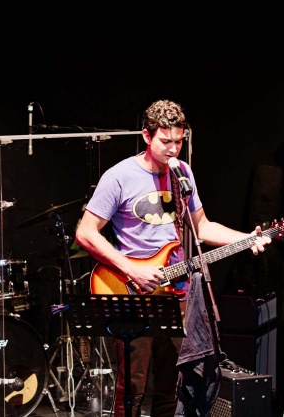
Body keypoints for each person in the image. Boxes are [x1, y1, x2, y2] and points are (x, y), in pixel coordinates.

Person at [75, 99, 270, 416]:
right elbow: (85, 233)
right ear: (147, 136)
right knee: (133, 387)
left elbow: (202, 226)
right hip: (131, 291)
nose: (174, 149)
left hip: (176, 293)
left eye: (179, 141)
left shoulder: (182, 173)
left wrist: (246, 238)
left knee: (172, 386)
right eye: (166, 141)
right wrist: (132, 270)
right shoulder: (119, 176)